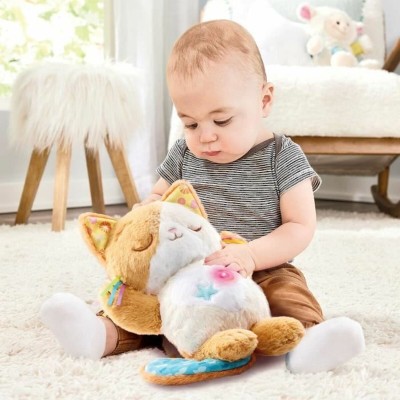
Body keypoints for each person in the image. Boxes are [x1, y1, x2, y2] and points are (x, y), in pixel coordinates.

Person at [40, 20, 364, 373]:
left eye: (221, 121)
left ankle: (309, 342)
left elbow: (300, 226)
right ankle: (100, 335)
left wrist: (250, 255)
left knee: (288, 293)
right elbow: (159, 198)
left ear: (264, 100)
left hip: (262, 268)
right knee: (145, 305)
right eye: (191, 123)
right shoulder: (183, 154)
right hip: (183, 273)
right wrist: (147, 210)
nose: (205, 136)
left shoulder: (282, 156)